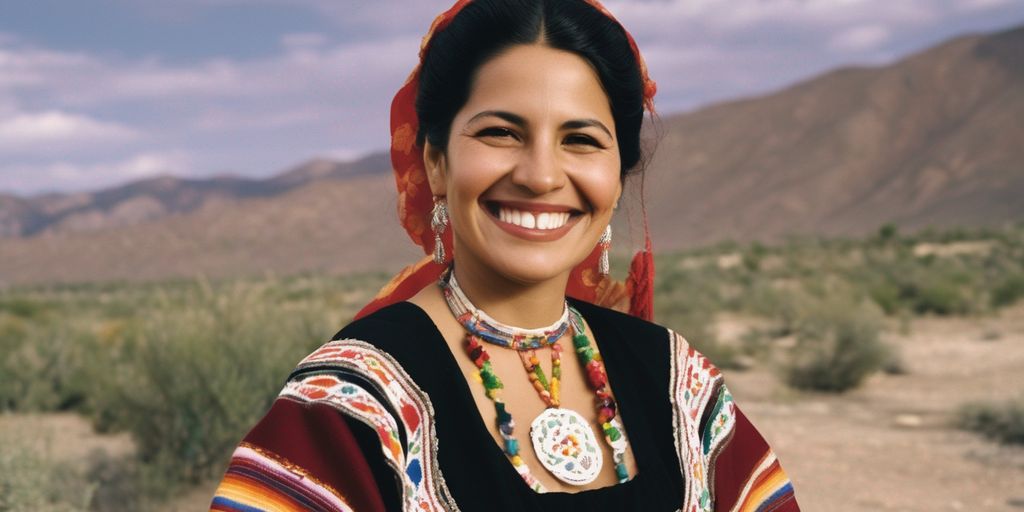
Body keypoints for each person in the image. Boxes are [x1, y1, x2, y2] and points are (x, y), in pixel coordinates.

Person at [210, 0, 800, 510]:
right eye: (501, 133)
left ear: (618, 176)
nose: (542, 175)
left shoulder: (677, 381)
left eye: (581, 140)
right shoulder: (351, 411)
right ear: (435, 162)